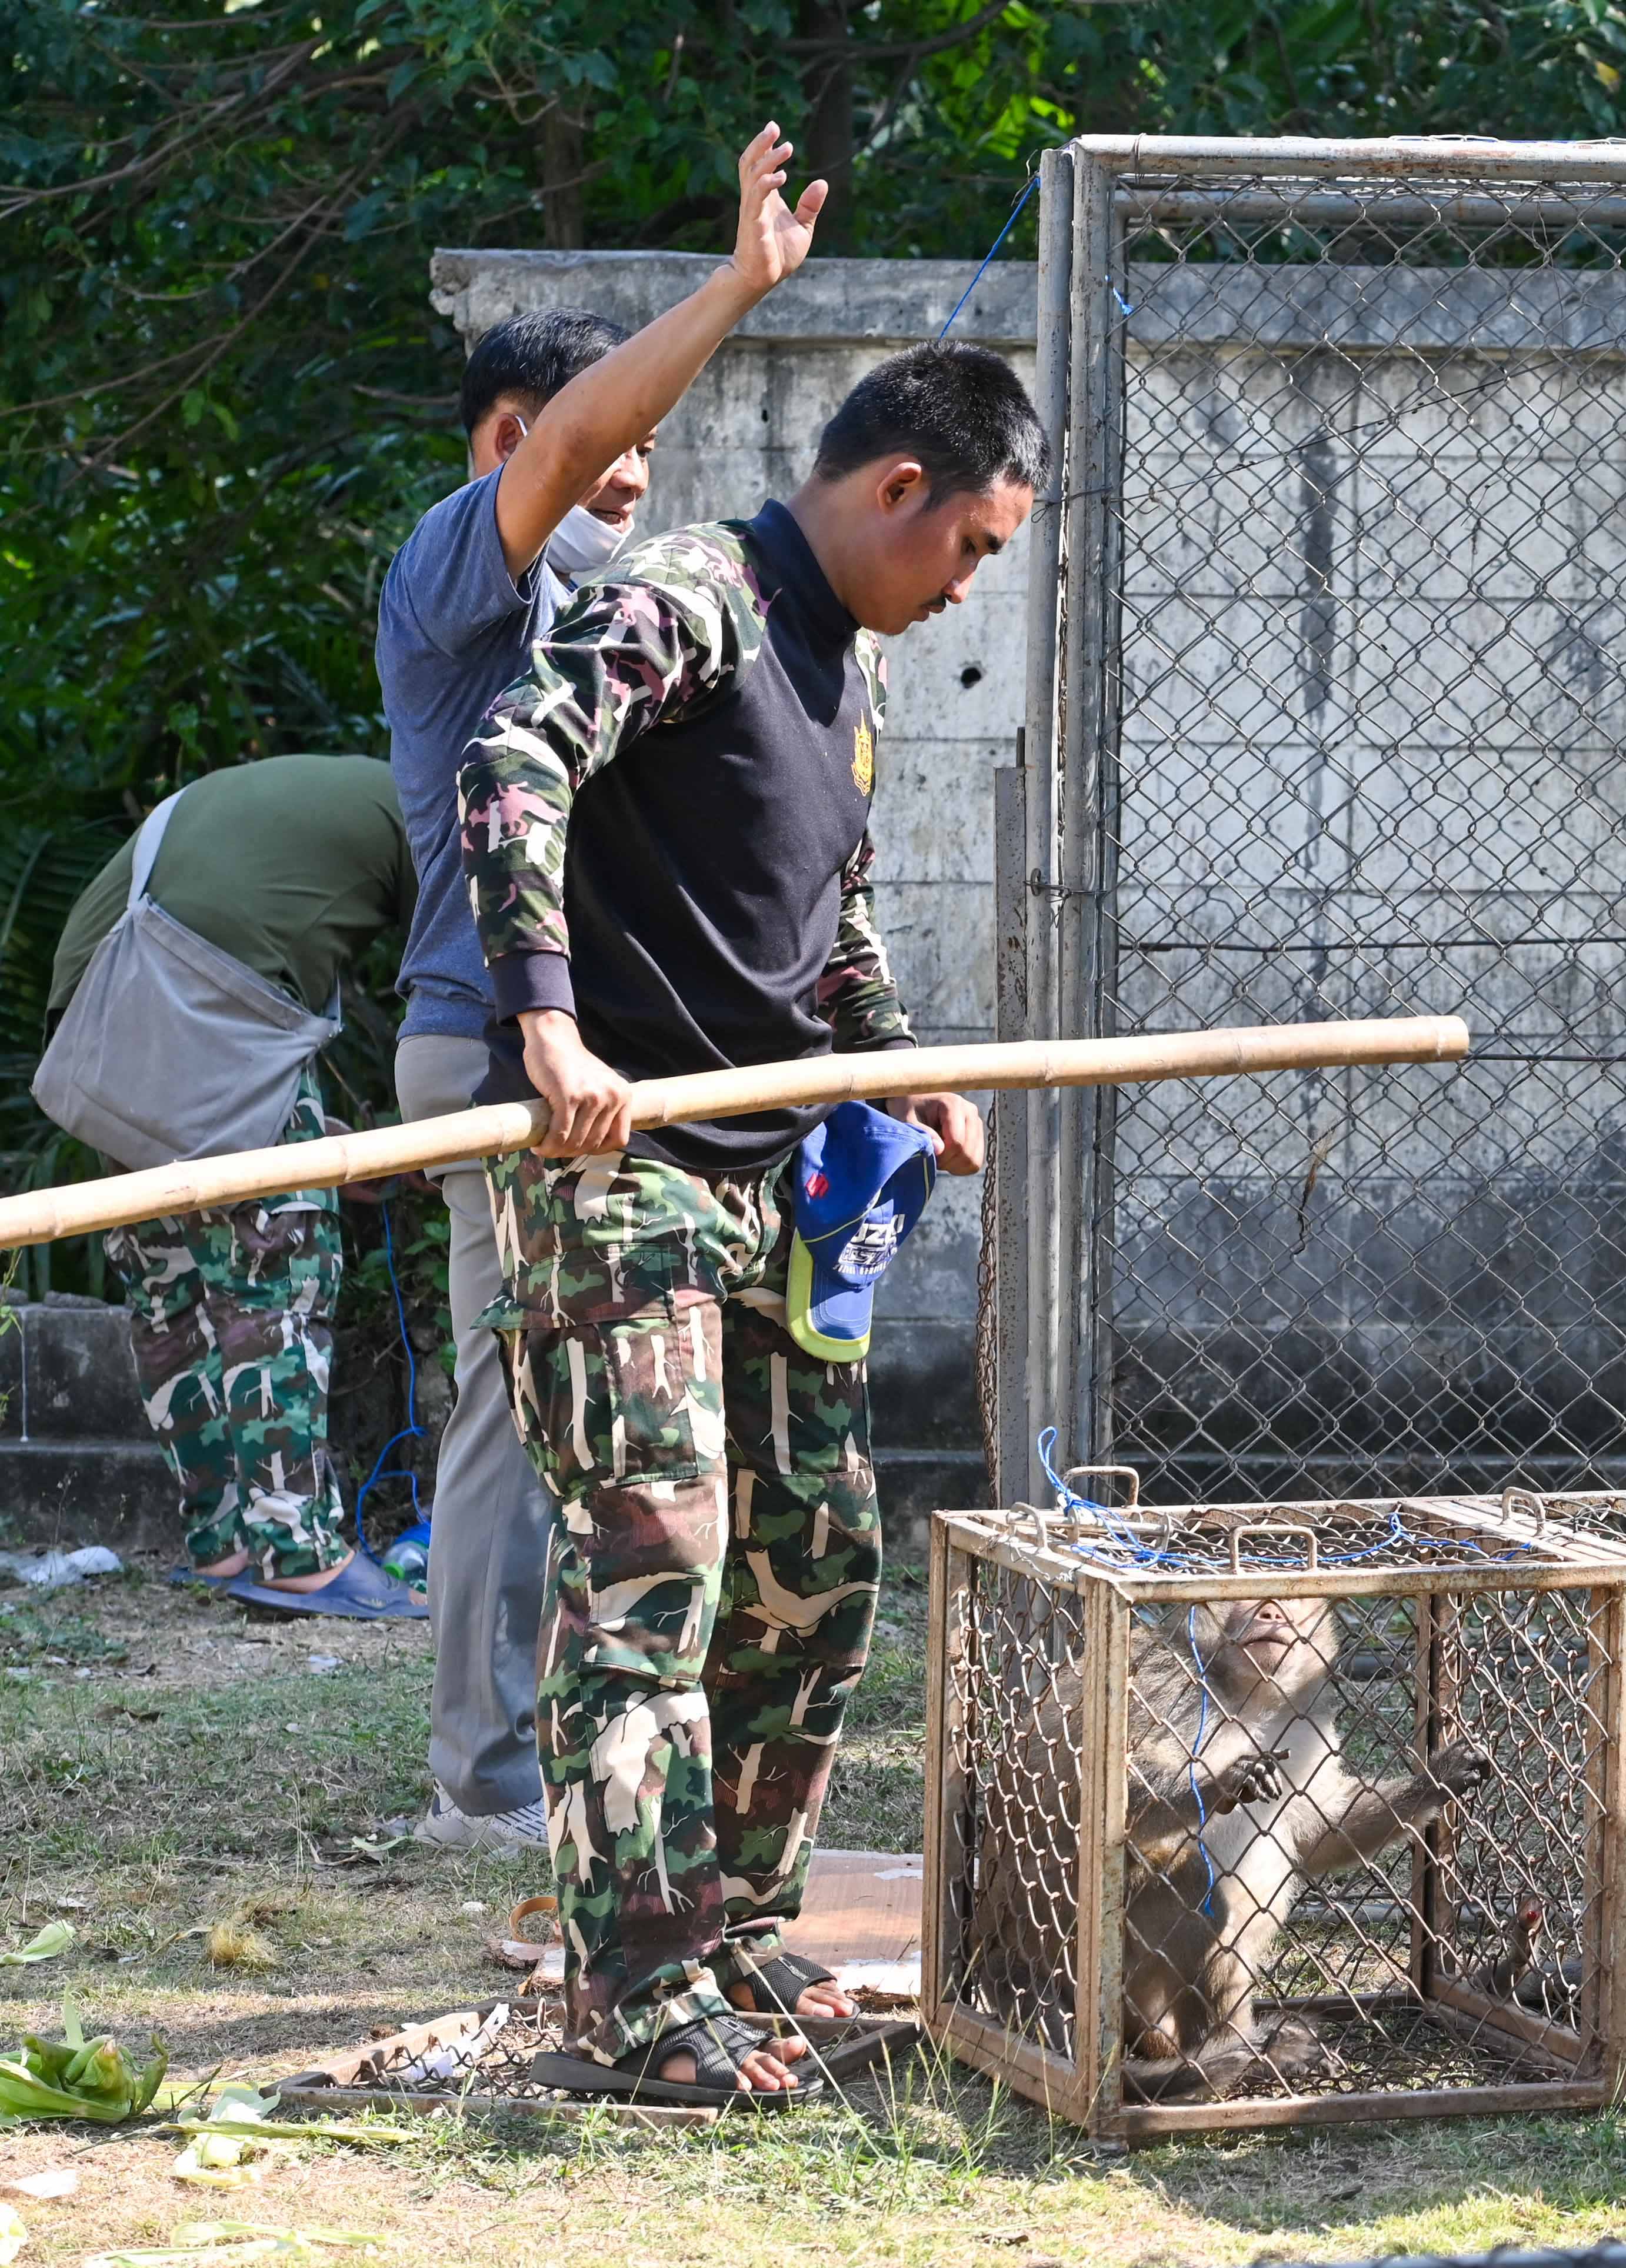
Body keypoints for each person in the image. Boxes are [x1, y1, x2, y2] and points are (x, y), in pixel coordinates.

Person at [460, 341, 1031, 2103]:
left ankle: (731, 1933)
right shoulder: (690, 601)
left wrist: (905, 1070)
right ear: (895, 492)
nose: (968, 590)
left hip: (777, 1180)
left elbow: (825, 926)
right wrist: (548, 1018)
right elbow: (516, 757)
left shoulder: (844, 671)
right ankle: (638, 1995)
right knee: (658, 1572)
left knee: (815, 1567)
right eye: (971, 552)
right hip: (617, 1166)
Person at [378, 122, 827, 1853]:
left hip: (604, 1067)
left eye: (647, 456)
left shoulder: (611, 607)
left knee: (608, 1409)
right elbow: (574, 440)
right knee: (514, 1419)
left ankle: (589, 1757)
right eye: (612, 450)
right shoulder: (456, 571)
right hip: (498, 1052)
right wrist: (738, 281)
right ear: (517, 445)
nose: (634, 478)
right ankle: (484, 1783)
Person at [42, 755, 418, 1617]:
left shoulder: (342, 795)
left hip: (101, 1008)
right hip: (201, 989)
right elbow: (458, 988)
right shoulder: (456, 812)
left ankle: (225, 1542)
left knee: (174, 1287)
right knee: (278, 1279)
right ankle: (301, 1553)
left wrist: (315, 1143)